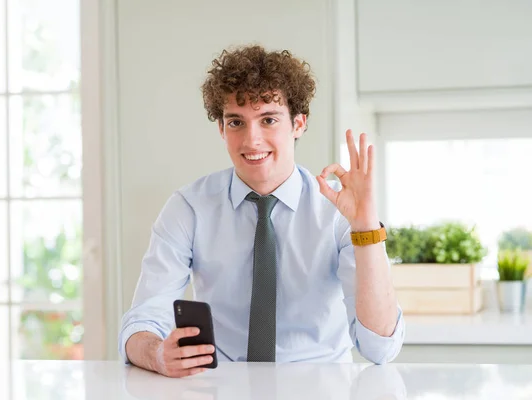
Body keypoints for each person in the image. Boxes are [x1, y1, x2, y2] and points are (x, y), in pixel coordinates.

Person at [119, 44, 404, 378]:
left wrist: (365, 226)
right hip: (221, 388)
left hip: (321, 389)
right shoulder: (189, 208)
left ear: (298, 124)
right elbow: (141, 322)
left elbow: (380, 348)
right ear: (222, 130)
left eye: (268, 119)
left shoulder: (336, 211)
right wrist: (157, 354)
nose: (251, 140)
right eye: (236, 122)